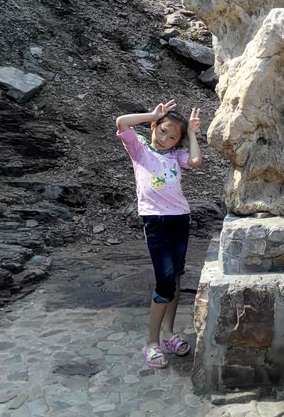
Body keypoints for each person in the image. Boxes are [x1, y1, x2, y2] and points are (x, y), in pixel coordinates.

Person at [115, 99, 203, 369]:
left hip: (180, 218)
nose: (165, 139)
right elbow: (121, 123)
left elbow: (196, 160)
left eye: (172, 137)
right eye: (163, 131)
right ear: (154, 127)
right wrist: (151, 115)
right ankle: (152, 343)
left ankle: (168, 333)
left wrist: (191, 133)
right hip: (155, 221)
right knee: (164, 281)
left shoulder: (176, 155)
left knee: (175, 278)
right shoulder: (139, 149)